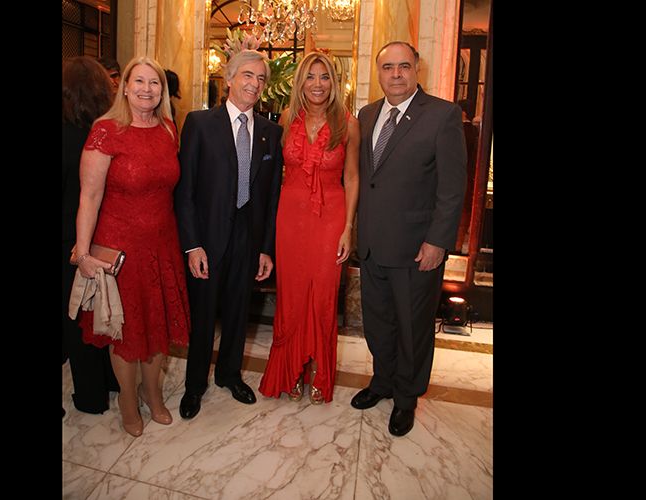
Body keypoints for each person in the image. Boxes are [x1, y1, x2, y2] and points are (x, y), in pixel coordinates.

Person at [352, 41, 467, 437]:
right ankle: (382, 382)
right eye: (388, 67)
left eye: (404, 66)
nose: (396, 74)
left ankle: (405, 398)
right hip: (370, 245)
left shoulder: (442, 115)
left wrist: (438, 241)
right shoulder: (365, 116)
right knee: (377, 324)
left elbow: (453, 188)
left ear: (417, 68)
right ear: (378, 72)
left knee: (413, 330)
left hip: (417, 250)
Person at [75, 56, 191, 437]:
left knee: (159, 326)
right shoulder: (106, 130)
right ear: (123, 86)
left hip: (163, 243)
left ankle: (153, 393)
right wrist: (83, 253)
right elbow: (89, 197)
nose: (146, 89)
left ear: (162, 90)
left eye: (154, 83)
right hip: (119, 247)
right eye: (138, 81)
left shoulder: (169, 130)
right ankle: (128, 399)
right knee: (123, 330)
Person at [175, 49, 284, 420]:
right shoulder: (200, 124)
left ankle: (230, 375)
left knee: (240, 312)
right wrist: (192, 244)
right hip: (206, 238)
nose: (254, 84)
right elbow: (185, 191)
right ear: (230, 79)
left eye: (261, 79)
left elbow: (271, 200)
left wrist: (266, 249)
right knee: (203, 314)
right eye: (248, 76)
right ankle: (194, 385)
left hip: (248, 237)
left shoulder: (272, 133)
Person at [258, 51, 360, 404]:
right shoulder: (288, 118)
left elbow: (352, 175)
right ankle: (292, 370)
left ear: (335, 82)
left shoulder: (349, 122)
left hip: (331, 215)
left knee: (323, 297)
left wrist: (348, 227)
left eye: (325, 77)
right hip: (291, 217)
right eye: (311, 77)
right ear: (301, 82)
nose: (318, 84)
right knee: (292, 295)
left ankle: (321, 373)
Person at [62, 56, 120, 415]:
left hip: (68, 239)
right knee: (98, 312)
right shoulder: (106, 135)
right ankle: (109, 382)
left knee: (73, 318)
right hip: (101, 235)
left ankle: (89, 397)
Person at [455, 99, 479, 253]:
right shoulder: (474, 131)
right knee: (464, 210)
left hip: (460, 176)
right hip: (469, 176)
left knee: (460, 210)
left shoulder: (461, 131)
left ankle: (456, 244)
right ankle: (458, 243)